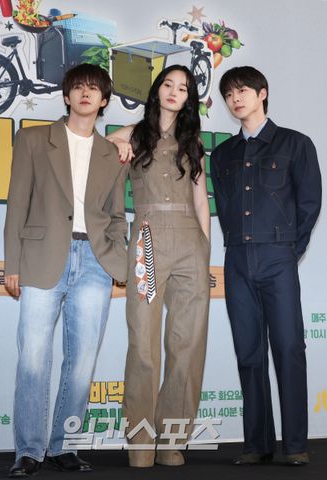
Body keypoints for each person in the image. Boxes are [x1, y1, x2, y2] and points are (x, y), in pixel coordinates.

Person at [3, 63, 128, 477]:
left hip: (94, 261)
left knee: (83, 360)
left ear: (104, 100)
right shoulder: (34, 139)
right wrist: (11, 264)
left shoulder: (113, 154)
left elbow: (115, 216)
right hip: (42, 257)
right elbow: (17, 203)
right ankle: (29, 450)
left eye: (94, 88)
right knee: (33, 358)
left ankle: (64, 446)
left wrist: (118, 260)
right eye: (78, 87)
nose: (86, 93)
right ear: (66, 95)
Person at [210, 66, 321, 466]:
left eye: (242, 91)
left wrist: (289, 251)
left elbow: (309, 203)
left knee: (289, 348)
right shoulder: (222, 154)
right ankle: (257, 444)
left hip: (278, 258)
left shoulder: (295, 144)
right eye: (228, 94)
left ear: (262, 93)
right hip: (237, 258)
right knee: (248, 351)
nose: (235, 99)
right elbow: (224, 207)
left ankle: (295, 445)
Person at [107, 65, 211, 468]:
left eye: (182, 88)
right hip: (147, 239)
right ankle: (140, 443)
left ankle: (172, 441)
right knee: (144, 343)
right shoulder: (135, 134)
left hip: (190, 241)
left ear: (188, 99)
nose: (174, 92)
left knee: (187, 345)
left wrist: (205, 252)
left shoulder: (193, 141)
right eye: (168, 84)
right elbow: (98, 147)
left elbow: (201, 201)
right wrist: (118, 143)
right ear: (156, 91)